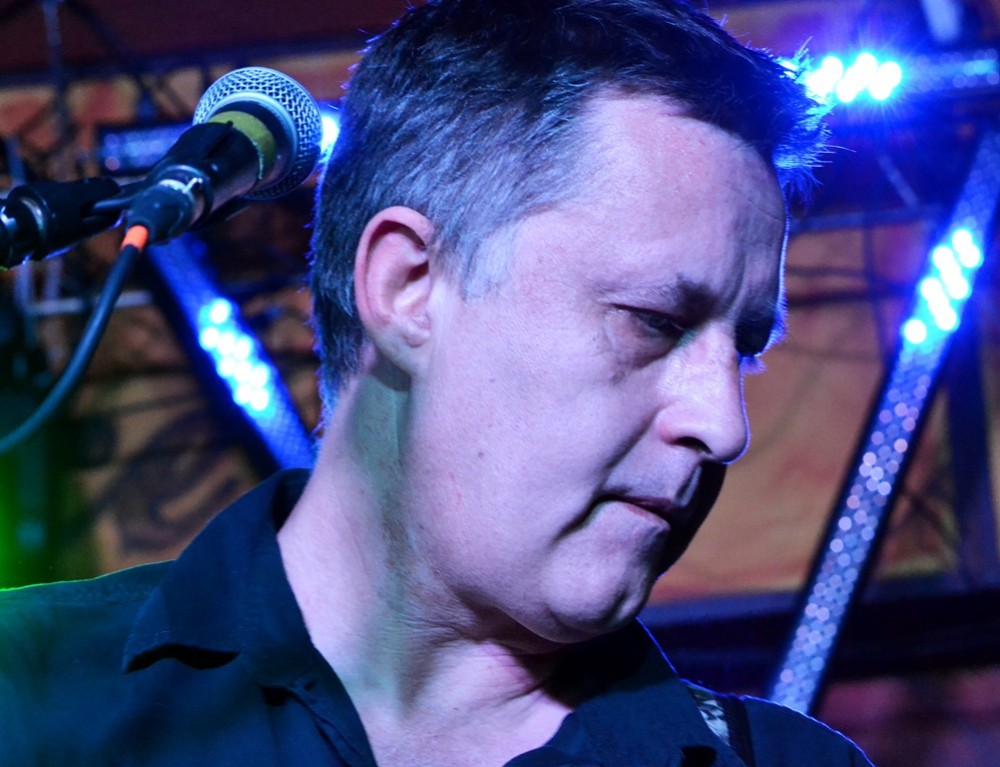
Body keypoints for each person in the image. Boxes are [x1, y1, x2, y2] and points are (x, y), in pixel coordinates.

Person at [0, 1, 873, 765]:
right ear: (408, 286)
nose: (726, 424)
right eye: (653, 319)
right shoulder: (25, 696)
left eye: (743, 348)